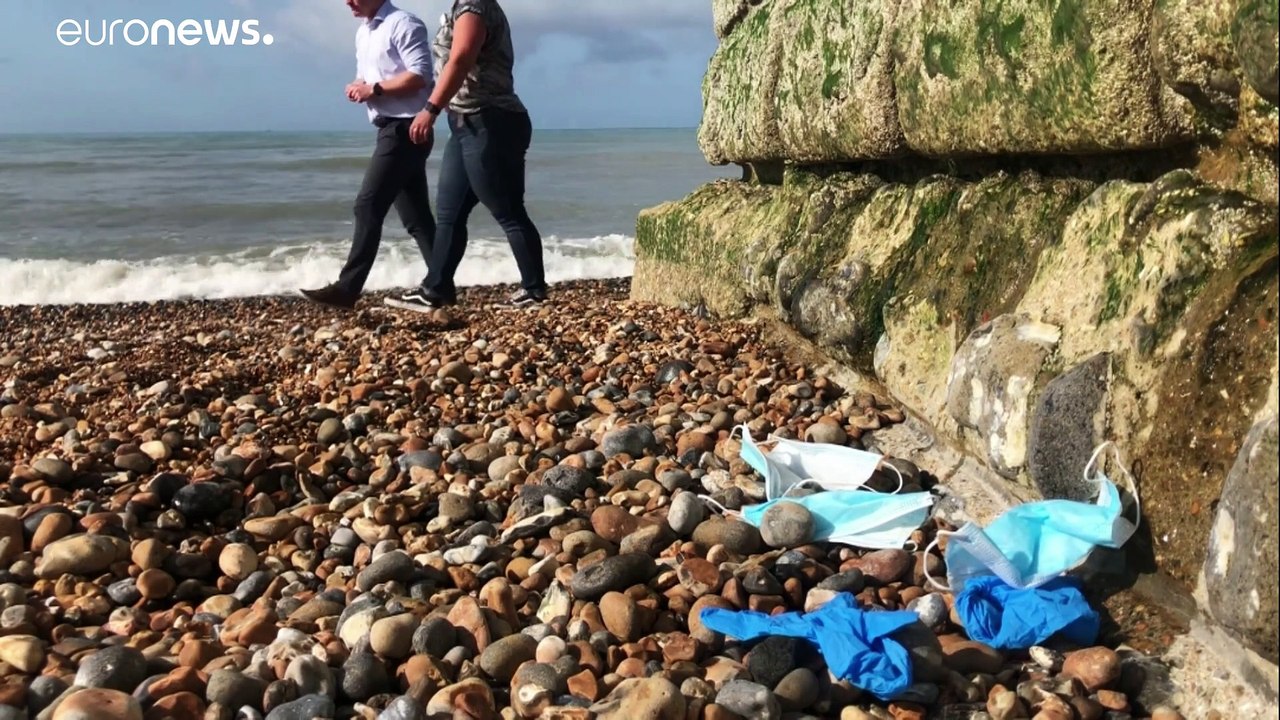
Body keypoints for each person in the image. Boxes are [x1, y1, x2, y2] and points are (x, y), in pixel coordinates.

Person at [392, 0, 548, 310]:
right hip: (466, 123)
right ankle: (436, 289)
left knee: (508, 210)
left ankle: (534, 290)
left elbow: (461, 58)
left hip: (492, 121)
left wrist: (430, 110)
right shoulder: (462, 8)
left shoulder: (474, 6)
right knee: (450, 212)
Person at [300, 0, 437, 310]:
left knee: (367, 206)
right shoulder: (364, 33)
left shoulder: (404, 23)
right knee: (416, 218)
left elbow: (420, 75)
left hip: (407, 128)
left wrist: (373, 90)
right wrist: (359, 86)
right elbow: (368, 78)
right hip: (389, 128)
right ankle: (442, 284)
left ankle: (347, 289)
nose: (347, 2)